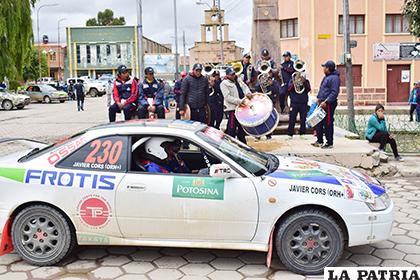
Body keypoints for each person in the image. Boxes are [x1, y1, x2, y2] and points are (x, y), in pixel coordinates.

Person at [312, 60, 340, 149]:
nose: (323, 69)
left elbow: (334, 92)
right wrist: (318, 99)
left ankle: (329, 142)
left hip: (328, 104)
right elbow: (323, 90)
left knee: (327, 123)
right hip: (321, 103)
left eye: (324, 67)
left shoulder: (334, 78)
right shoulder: (327, 77)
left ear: (328, 68)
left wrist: (326, 101)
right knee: (318, 122)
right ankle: (319, 140)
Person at [221, 67, 252, 144]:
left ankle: (243, 143)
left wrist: (248, 92)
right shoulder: (224, 83)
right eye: (231, 75)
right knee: (232, 128)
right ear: (227, 75)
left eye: (234, 74)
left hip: (242, 107)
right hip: (233, 109)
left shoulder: (238, 79)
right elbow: (227, 97)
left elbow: (244, 87)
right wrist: (239, 101)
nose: (233, 75)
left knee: (242, 128)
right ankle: (230, 144)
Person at [255, 73, 281, 140]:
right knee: (259, 120)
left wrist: (271, 84)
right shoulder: (260, 83)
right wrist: (259, 83)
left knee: (268, 120)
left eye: (268, 77)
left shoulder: (274, 82)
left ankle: (268, 135)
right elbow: (257, 90)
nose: (267, 79)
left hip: (270, 102)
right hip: (261, 103)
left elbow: (277, 91)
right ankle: (258, 135)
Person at [287, 72, 311, 138]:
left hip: (303, 103)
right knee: (292, 119)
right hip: (294, 103)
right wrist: (294, 82)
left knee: (303, 119)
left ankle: (302, 133)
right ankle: (290, 134)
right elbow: (289, 89)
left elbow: (308, 89)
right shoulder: (291, 80)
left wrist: (304, 82)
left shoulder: (306, 81)